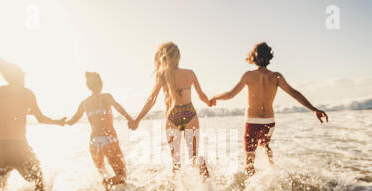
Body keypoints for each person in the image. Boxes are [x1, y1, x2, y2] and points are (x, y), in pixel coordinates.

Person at [211, 42, 329, 176]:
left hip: (252, 122)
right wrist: (314, 109)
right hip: (269, 121)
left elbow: (231, 94)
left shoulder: (248, 75)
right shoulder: (276, 76)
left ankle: (252, 190)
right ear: (269, 57)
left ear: (253, 57)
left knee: (249, 160)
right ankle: (273, 171)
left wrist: (215, 97)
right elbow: (294, 93)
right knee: (265, 145)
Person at [129, 42, 215, 178]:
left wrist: (137, 120)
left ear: (164, 57)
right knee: (194, 157)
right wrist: (209, 102)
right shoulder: (189, 73)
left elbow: (151, 99)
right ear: (179, 56)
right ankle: (207, 189)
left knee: (176, 162)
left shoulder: (162, 75)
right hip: (190, 114)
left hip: (172, 116)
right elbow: (202, 95)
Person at [0, 60, 66, 191]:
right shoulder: (27, 93)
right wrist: (57, 122)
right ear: (17, 76)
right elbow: (41, 118)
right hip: (18, 145)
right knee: (39, 179)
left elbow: (10, 111)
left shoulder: (0, 92)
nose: (25, 79)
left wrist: (24, 110)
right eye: (23, 76)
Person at [67, 72, 134, 191]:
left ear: (88, 87)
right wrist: (131, 120)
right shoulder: (107, 97)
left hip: (94, 142)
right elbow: (119, 108)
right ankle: (112, 188)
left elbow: (72, 121)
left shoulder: (84, 103)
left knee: (103, 172)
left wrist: (61, 121)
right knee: (121, 175)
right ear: (101, 84)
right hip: (108, 139)